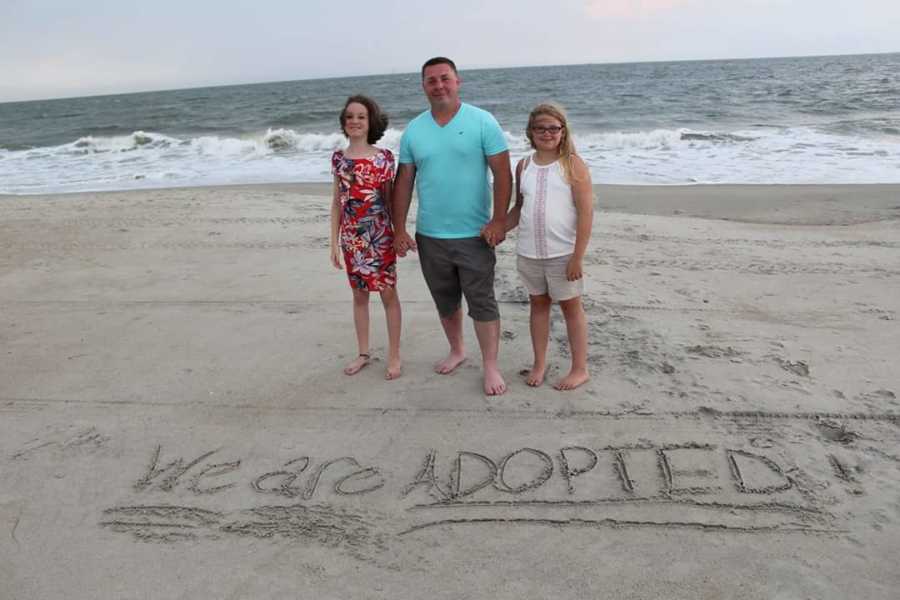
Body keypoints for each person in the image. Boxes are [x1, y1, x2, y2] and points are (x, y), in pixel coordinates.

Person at [392, 57, 512, 395]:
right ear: (423, 86)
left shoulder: (482, 121)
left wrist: (499, 220)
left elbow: (502, 172)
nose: (439, 85)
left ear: (458, 81)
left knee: (482, 301)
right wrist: (399, 229)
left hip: (475, 234)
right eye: (431, 80)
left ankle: (490, 365)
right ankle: (457, 350)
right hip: (430, 235)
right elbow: (404, 182)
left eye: (445, 78)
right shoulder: (414, 130)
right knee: (445, 300)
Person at [505, 103, 594, 390]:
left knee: (571, 308)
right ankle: (540, 363)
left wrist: (577, 258)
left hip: (563, 254)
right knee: (538, 305)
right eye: (540, 128)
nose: (547, 133)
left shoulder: (573, 164)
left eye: (553, 128)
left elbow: (585, 213)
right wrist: (497, 229)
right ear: (530, 132)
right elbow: (519, 208)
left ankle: (580, 369)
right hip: (529, 253)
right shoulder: (524, 166)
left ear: (563, 131)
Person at [330, 95, 402, 380]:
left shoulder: (384, 157)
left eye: (361, 116)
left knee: (388, 294)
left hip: (380, 236)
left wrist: (398, 234)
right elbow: (337, 202)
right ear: (344, 122)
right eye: (350, 116)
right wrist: (333, 243)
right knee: (359, 295)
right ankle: (363, 353)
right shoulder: (338, 158)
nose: (355, 121)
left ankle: (395, 355)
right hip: (352, 240)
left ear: (370, 121)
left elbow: (392, 200)